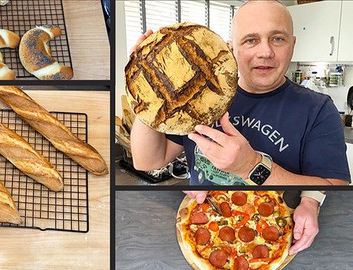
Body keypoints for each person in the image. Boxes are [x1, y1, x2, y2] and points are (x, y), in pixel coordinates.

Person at [129, 0, 350, 254]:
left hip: (275, 238)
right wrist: (143, 93)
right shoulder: (199, 98)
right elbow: (147, 161)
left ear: (293, 45)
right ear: (231, 48)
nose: (265, 52)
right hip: (206, 230)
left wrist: (252, 167)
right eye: (251, 40)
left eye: (278, 39)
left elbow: (338, 190)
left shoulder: (318, 109)